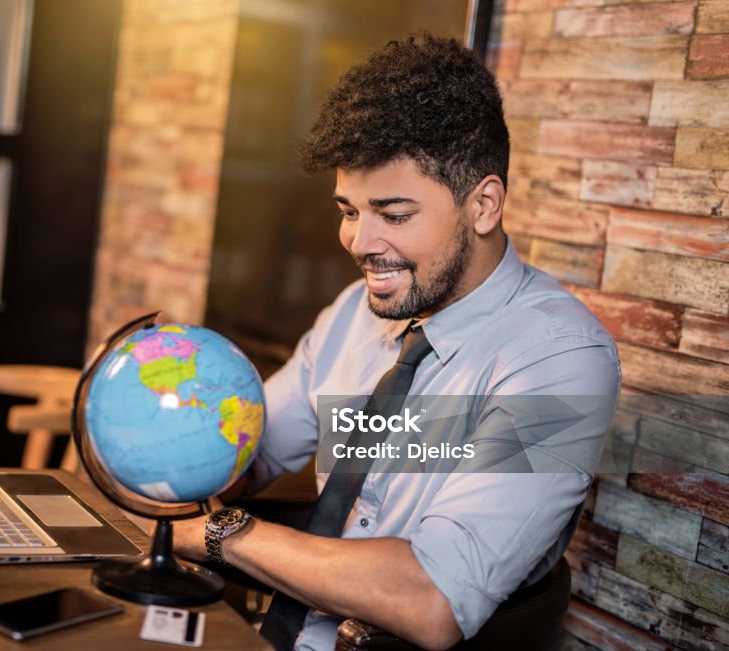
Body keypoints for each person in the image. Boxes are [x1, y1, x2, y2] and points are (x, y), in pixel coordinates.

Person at [170, 34, 620, 650]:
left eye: (394, 214)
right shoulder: (356, 313)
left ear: (483, 204)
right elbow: (250, 447)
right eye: (349, 209)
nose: (357, 240)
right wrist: (170, 448)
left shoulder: (561, 360)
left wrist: (225, 534)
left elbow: (433, 596)